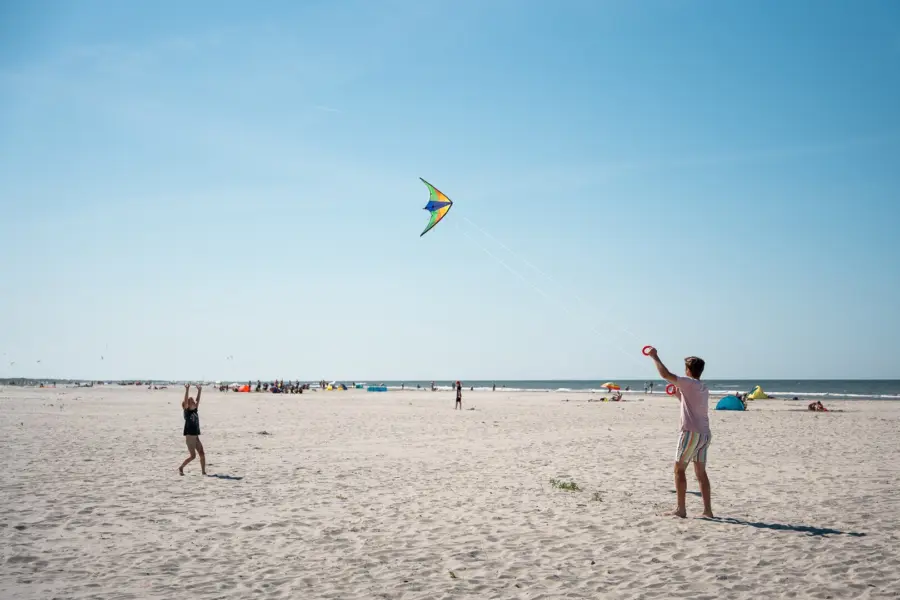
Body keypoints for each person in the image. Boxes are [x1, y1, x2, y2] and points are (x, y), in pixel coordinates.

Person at [646, 347, 713, 518]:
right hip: (704, 434)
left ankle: (681, 510)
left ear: (688, 370)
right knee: (700, 473)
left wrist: (654, 356)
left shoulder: (688, 382)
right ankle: (707, 511)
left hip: (690, 433)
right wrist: (677, 394)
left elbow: (665, 375)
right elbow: (689, 403)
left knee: (679, 469)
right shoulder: (702, 387)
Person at [179, 383, 206, 476]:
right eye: (192, 402)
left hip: (196, 436)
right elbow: (186, 402)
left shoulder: (194, 410)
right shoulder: (187, 412)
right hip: (190, 437)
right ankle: (181, 467)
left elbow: (198, 401)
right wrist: (187, 389)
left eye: (194, 402)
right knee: (193, 456)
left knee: (202, 453)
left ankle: (203, 472)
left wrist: (199, 390)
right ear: (188, 405)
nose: (194, 402)